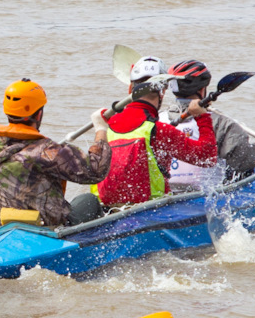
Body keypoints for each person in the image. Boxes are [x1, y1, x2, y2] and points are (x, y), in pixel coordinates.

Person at [88, 57, 217, 209]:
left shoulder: (105, 127)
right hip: (151, 211)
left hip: (107, 212)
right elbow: (207, 157)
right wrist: (202, 117)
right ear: (162, 92)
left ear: (130, 89)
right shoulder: (160, 130)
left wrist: (100, 128)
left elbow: (93, 165)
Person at [0, 78, 111, 227]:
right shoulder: (47, 151)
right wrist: (100, 128)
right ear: (38, 115)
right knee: (89, 200)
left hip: (2, 225)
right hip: (45, 229)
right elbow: (96, 170)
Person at [160, 59, 255, 187]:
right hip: (204, 196)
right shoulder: (222, 123)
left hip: (168, 191)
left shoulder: (158, 119)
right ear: (202, 90)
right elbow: (243, 161)